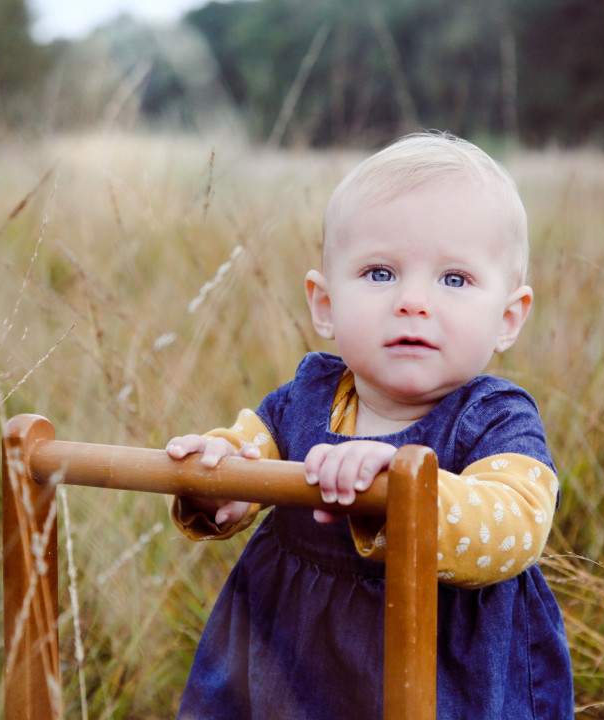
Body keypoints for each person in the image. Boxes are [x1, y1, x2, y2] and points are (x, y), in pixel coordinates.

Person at [166, 132, 574, 719]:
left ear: (507, 317)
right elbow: (243, 455)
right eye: (380, 273)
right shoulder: (303, 400)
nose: (412, 300)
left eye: (453, 280)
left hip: (444, 672)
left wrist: (406, 492)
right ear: (325, 304)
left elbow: (516, 523)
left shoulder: (496, 419)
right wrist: (215, 478)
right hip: (290, 659)